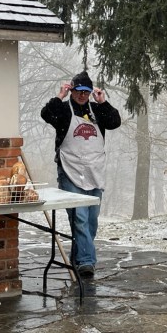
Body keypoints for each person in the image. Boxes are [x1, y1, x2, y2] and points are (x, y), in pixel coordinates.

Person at [40, 71, 121, 277]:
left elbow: (115, 122)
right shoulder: (63, 111)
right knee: (80, 219)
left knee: (91, 220)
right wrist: (59, 96)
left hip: (94, 172)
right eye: (78, 91)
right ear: (72, 91)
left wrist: (103, 102)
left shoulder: (97, 111)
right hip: (70, 171)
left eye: (86, 91)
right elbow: (46, 114)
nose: (82, 95)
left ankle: (78, 258)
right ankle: (86, 262)